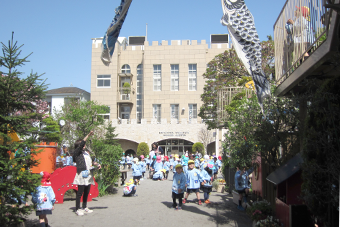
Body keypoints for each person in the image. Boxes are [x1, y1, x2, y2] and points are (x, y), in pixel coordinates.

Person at [72, 131, 101, 216]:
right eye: (83, 145)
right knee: (80, 192)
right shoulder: (77, 153)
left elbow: (91, 161)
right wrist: (88, 135)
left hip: (88, 173)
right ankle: (77, 208)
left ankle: (84, 207)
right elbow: (82, 143)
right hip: (81, 173)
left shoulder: (86, 153)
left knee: (87, 191)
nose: (84, 146)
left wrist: (97, 164)